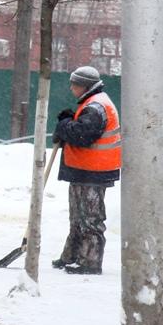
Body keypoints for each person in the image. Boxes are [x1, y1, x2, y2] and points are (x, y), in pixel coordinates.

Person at [51, 65, 121, 275]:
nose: (71, 88)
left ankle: (90, 262)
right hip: (84, 170)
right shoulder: (93, 103)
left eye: (74, 84)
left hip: (93, 172)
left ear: (84, 86)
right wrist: (70, 120)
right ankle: (71, 256)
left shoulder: (96, 106)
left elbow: (83, 135)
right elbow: (83, 128)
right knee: (78, 217)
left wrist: (64, 125)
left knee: (90, 218)